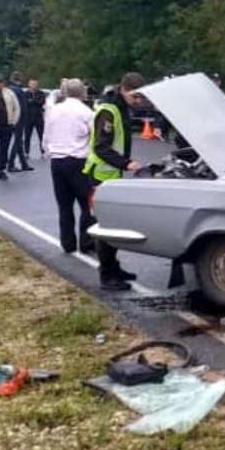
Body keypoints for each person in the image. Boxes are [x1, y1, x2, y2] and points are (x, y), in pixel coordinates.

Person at [83, 71, 145, 291]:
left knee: (114, 224)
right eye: (135, 97)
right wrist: (125, 163)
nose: (138, 102)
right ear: (123, 89)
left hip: (111, 174)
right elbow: (101, 147)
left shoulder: (120, 107)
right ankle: (107, 276)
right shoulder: (109, 110)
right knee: (105, 226)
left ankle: (114, 267)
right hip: (101, 174)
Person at [46, 79, 95, 255]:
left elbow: (47, 134)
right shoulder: (87, 112)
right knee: (86, 204)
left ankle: (68, 243)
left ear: (65, 93)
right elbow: (93, 138)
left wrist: (48, 152)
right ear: (83, 93)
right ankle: (86, 242)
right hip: (78, 160)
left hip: (57, 161)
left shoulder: (53, 110)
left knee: (64, 205)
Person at [6, 72, 33, 172]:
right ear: (19, 79)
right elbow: (22, 107)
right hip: (18, 118)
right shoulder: (19, 91)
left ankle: (23, 164)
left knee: (18, 141)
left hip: (8, 118)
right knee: (17, 141)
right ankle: (10, 164)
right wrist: (25, 118)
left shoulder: (7, 89)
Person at [25, 78, 47, 157]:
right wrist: (33, 101)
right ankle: (26, 152)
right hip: (28, 117)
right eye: (32, 84)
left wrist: (32, 101)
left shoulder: (41, 93)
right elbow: (25, 103)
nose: (34, 86)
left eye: (35, 84)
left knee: (41, 135)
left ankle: (43, 151)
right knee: (27, 136)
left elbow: (41, 102)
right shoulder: (26, 93)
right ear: (29, 84)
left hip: (38, 118)